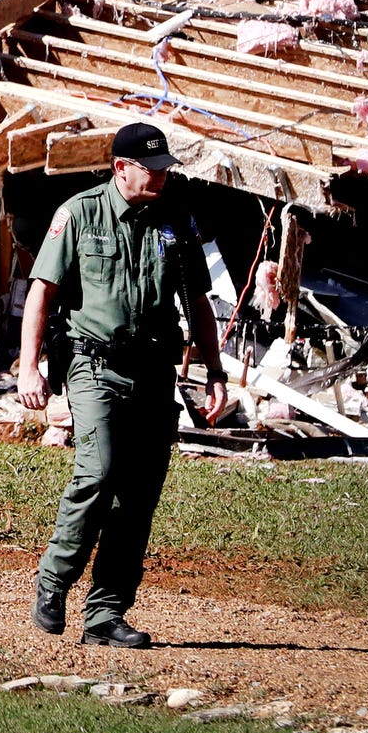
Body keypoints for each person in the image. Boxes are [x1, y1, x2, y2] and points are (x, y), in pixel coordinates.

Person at [15, 122, 233, 648]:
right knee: (100, 470)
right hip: (94, 365)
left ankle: (105, 614)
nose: (161, 178)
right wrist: (28, 367)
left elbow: (198, 303)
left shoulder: (176, 221)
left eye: (165, 170)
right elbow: (41, 293)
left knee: (138, 496)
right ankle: (54, 578)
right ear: (121, 169)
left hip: (154, 370)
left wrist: (216, 371)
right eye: (151, 170)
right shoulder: (79, 214)